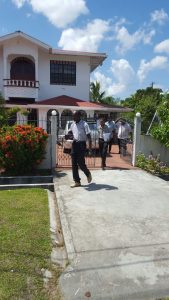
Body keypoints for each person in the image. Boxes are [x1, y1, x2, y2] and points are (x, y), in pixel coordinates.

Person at [66, 111, 92, 188]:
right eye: (72, 116)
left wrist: (90, 149)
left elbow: (89, 136)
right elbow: (70, 133)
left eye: (74, 116)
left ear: (79, 116)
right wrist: (67, 136)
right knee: (74, 164)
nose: (73, 118)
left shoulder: (84, 124)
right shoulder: (73, 124)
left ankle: (87, 173)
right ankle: (77, 181)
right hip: (74, 144)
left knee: (81, 163)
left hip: (81, 144)